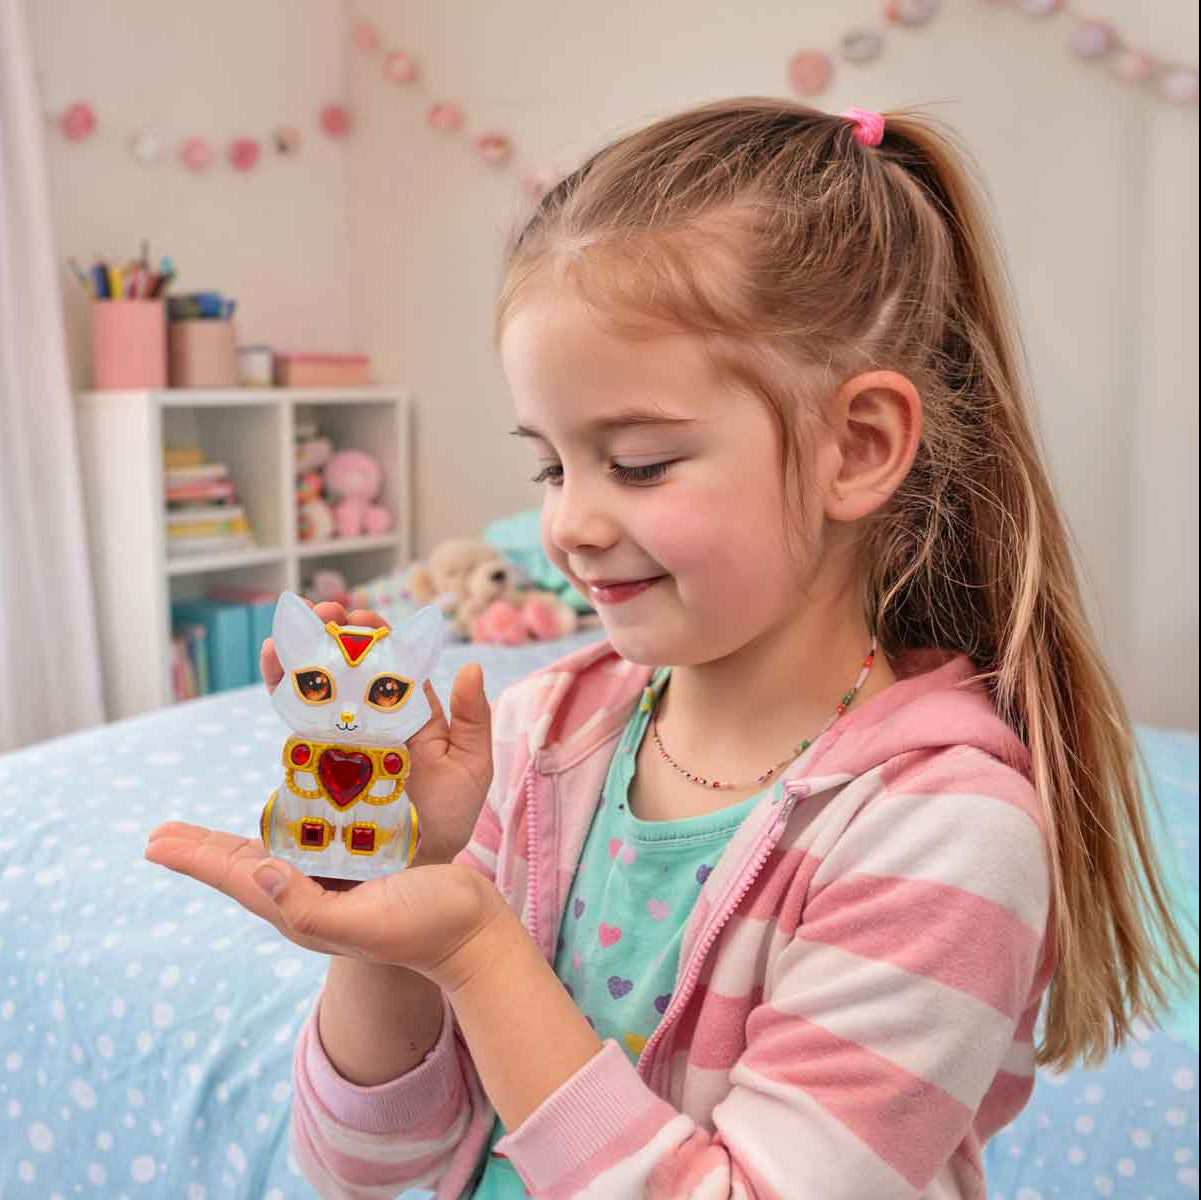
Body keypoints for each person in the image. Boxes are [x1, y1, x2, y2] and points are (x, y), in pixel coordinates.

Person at [146, 98, 1196, 1198]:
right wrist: (387, 911)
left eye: (637, 463)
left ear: (859, 447)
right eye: (551, 466)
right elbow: (366, 1167)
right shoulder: (539, 732)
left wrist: (473, 948)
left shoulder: (944, 835)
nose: (569, 525)